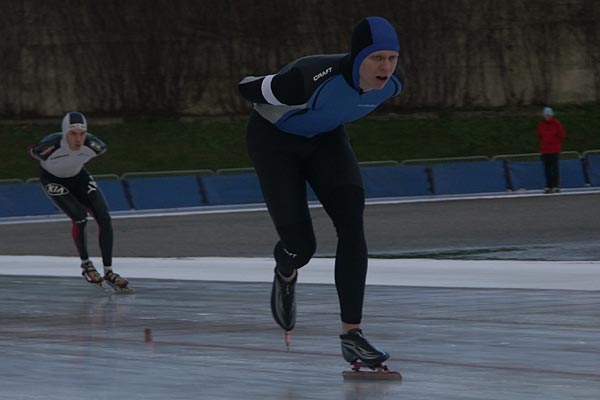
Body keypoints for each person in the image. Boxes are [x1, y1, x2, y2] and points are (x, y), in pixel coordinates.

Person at [238, 16, 402, 368]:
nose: (385, 67)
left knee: (352, 222)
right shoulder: (307, 80)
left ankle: (352, 336)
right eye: (377, 58)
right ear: (359, 58)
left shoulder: (391, 86)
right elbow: (246, 88)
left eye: (392, 58)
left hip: (325, 139)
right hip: (274, 141)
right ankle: (286, 271)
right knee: (302, 248)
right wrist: (256, 83)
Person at [28, 112, 130, 290]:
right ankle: (86, 264)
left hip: (79, 178)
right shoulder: (50, 146)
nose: (78, 139)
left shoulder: (94, 145)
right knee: (80, 218)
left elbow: (98, 147)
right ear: (64, 133)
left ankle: (109, 271)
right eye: (72, 133)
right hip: (53, 179)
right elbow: (33, 151)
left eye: (82, 134)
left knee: (104, 219)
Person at [537, 107, 566, 193]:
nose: (547, 117)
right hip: (545, 150)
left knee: (555, 169)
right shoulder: (541, 124)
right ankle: (548, 186)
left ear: (552, 115)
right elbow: (540, 135)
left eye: (549, 115)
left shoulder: (557, 124)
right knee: (547, 169)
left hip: (554, 149)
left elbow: (562, 135)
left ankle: (556, 186)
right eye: (546, 115)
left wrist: (555, 142)